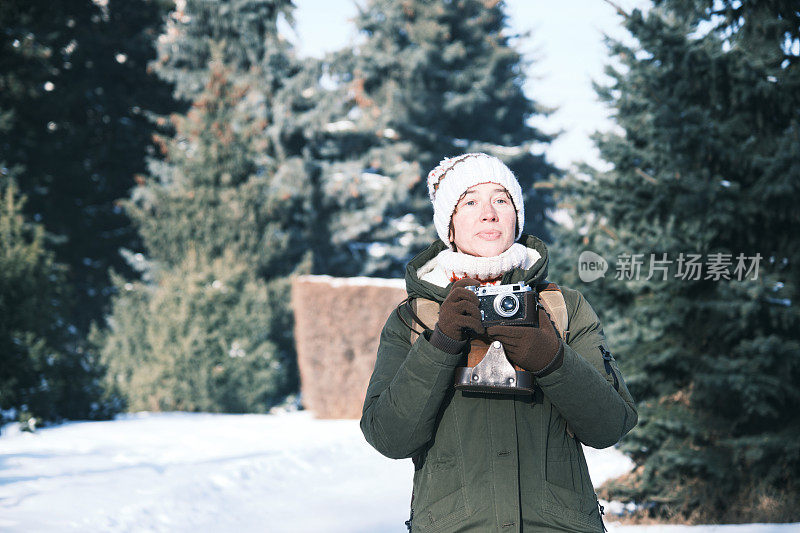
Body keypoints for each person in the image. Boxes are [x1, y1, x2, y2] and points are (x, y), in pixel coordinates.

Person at [360, 152, 638, 533]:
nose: (488, 213)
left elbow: (611, 426)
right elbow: (388, 437)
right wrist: (440, 344)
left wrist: (552, 360)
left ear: (516, 218)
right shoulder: (413, 319)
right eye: (470, 201)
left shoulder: (562, 307)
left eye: (501, 200)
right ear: (450, 226)